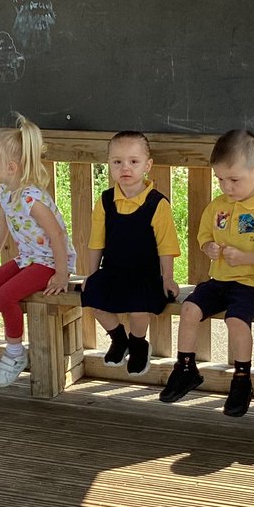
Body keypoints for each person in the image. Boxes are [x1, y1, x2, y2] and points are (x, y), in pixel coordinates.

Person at [159, 129, 254, 417]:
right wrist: (209, 248)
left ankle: (242, 379)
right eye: (220, 179)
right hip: (221, 278)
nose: (226, 187)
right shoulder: (219, 206)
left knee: (235, 319)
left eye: (234, 180)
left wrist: (245, 257)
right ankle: (185, 367)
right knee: (190, 308)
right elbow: (204, 236)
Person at [0, 114, 75, 387]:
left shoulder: (31, 198)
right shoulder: (5, 191)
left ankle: (14, 352)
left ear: (11, 167)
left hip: (48, 262)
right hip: (28, 259)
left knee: (6, 294)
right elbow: (2, 226)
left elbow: (57, 235)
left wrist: (61, 274)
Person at [81, 131, 180, 376]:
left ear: (147, 166)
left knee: (138, 309)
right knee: (93, 299)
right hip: (113, 271)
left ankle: (138, 344)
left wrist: (168, 278)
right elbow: (96, 242)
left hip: (145, 274)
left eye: (133, 162)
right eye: (117, 162)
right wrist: (91, 275)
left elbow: (166, 245)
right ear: (109, 165)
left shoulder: (157, 204)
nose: (125, 167)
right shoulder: (105, 201)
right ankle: (119, 339)